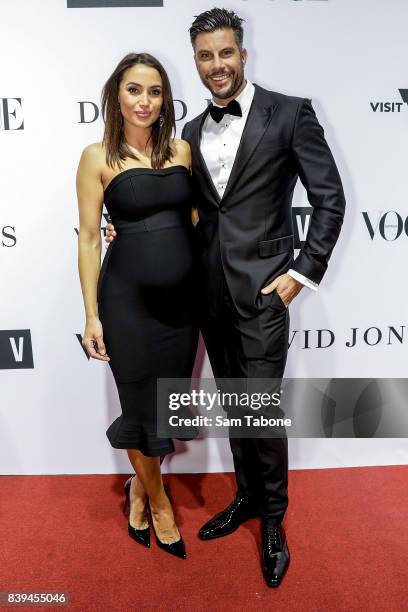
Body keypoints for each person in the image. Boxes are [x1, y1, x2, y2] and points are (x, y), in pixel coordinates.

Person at [106, 8, 346, 587]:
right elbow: (185, 213)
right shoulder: (187, 133)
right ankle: (244, 498)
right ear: (196, 61)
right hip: (207, 297)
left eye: (226, 53)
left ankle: (272, 522)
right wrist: (129, 232)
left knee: (262, 414)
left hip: (265, 295)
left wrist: (302, 272)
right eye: (206, 57)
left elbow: (330, 198)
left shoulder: (289, 113)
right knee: (238, 409)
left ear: (244, 53)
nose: (217, 66)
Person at [76, 52, 199, 560]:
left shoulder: (182, 150)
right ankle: (158, 500)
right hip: (125, 302)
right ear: (116, 96)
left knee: (164, 407)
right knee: (137, 406)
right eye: (133, 90)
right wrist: (90, 315)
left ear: (165, 97)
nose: (144, 101)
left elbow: (193, 220)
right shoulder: (96, 157)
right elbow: (87, 239)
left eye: (153, 91)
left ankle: (138, 487)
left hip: (181, 306)